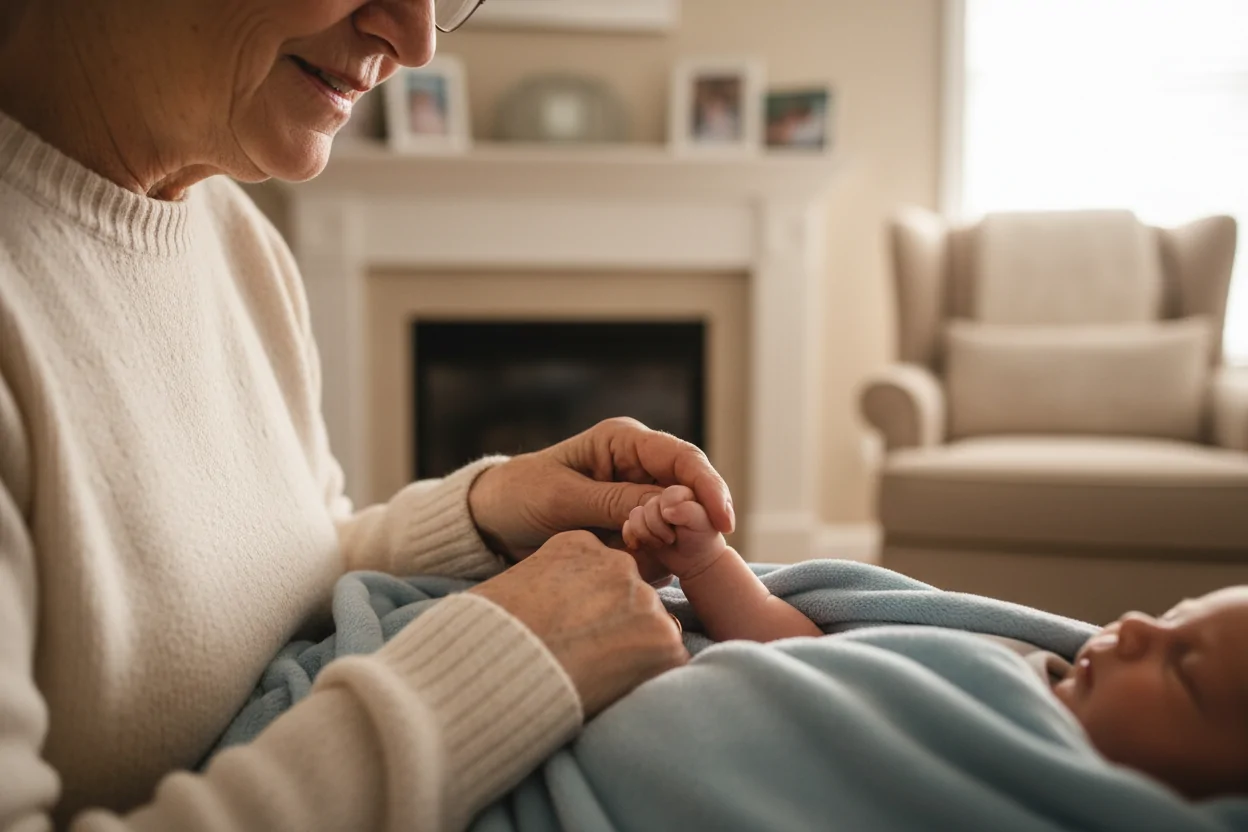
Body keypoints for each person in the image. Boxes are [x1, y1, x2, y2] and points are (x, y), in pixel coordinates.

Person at [0, 1, 736, 829]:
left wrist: (484, 513)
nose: (415, 40)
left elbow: (281, 571)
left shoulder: (232, 234)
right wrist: (498, 675)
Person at [625, 485, 1248, 803]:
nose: (1136, 626)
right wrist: (705, 564)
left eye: (1182, 667)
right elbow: (799, 648)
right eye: (1169, 615)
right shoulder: (1017, 658)